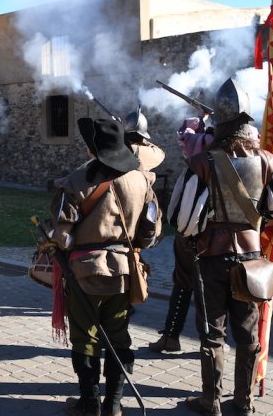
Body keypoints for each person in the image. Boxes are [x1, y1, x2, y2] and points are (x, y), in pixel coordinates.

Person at [168, 78, 273, 416]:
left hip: (211, 258)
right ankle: (244, 401)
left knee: (213, 334)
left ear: (219, 123)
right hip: (252, 258)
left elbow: (181, 220)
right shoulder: (267, 160)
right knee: (247, 332)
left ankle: (211, 402)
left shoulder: (202, 162)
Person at [48, 117, 162, 416]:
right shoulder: (142, 180)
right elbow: (150, 234)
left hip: (84, 273)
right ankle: (113, 404)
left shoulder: (75, 181)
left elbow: (61, 235)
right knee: (118, 336)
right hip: (125, 272)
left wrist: (61, 240)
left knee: (85, 339)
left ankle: (90, 404)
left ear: (92, 149)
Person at [149, 114, 213, 353]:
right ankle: (212, 341)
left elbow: (179, 217)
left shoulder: (197, 166)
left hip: (196, 236)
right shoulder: (241, 160)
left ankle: (171, 337)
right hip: (229, 240)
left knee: (184, 282)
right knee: (215, 289)